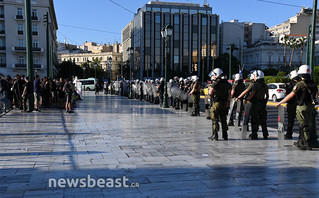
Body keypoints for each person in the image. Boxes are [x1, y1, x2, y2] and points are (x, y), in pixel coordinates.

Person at [277, 65, 318, 150]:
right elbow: (317, 93)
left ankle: (306, 143)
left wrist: (280, 102)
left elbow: (291, 95)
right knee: (309, 124)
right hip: (311, 106)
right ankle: (305, 141)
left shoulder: (299, 84)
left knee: (303, 125)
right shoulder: (313, 83)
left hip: (302, 106)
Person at [208, 68, 232, 141]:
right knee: (223, 119)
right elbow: (229, 95)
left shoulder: (215, 83)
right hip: (224, 103)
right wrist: (228, 102)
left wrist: (210, 90)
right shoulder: (227, 83)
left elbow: (210, 93)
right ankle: (225, 135)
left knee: (215, 119)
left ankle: (215, 135)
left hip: (216, 103)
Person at [245, 70, 269, 140]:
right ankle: (265, 134)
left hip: (255, 104)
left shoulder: (256, 85)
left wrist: (247, 99)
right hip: (262, 104)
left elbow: (252, 94)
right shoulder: (265, 85)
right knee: (263, 120)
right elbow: (267, 95)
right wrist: (264, 102)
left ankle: (254, 135)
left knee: (255, 120)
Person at [284, 70, 300, 139]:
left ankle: (289, 134)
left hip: (291, 104)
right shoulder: (301, 83)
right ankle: (302, 135)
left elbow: (287, 95)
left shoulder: (291, 85)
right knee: (301, 121)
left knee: (290, 120)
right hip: (300, 103)